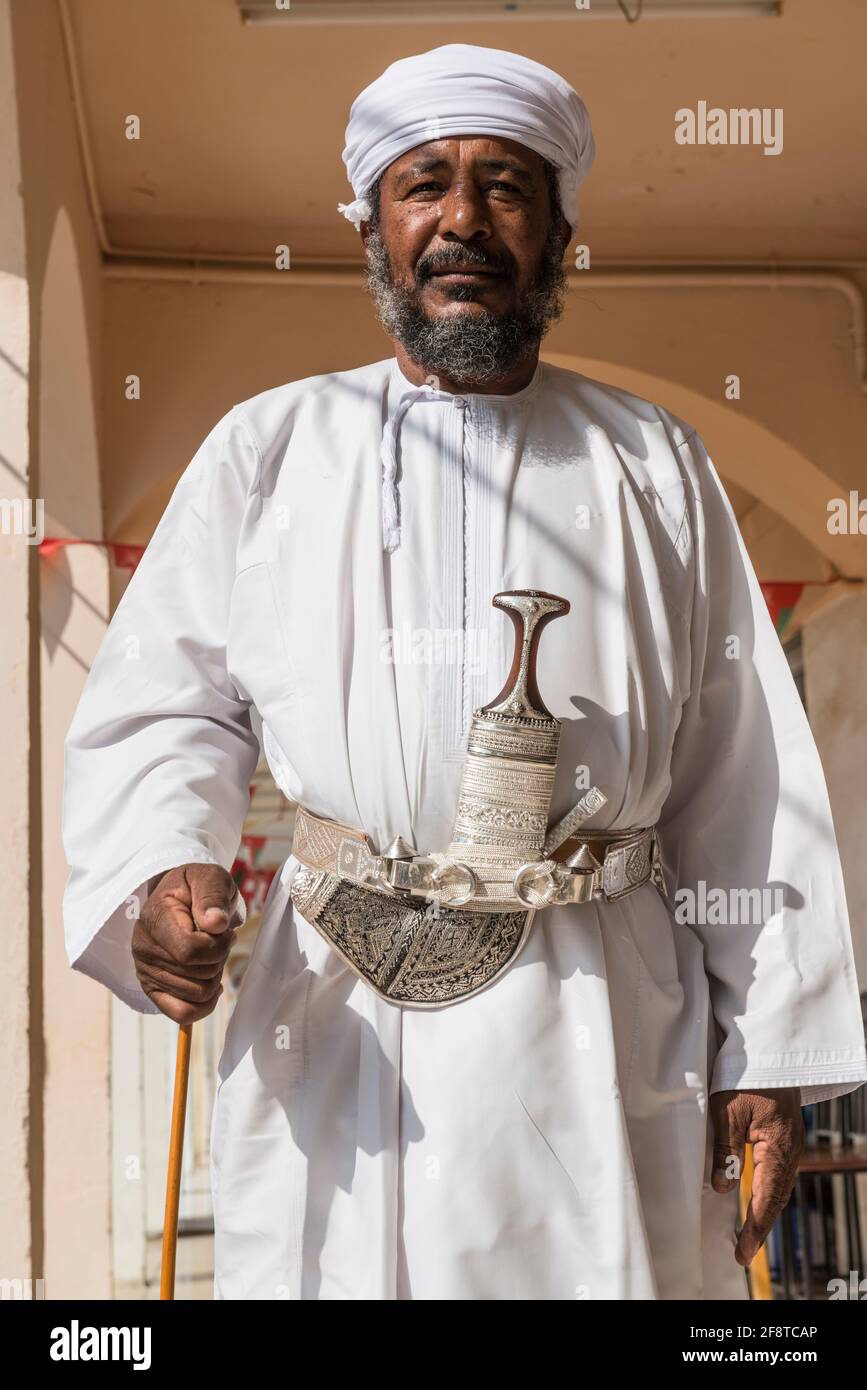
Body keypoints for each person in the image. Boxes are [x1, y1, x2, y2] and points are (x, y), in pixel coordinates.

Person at [62, 43, 867, 1300]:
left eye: (505, 187)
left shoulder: (655, 462)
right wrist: (164, 861)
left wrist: (766, 1052)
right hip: (338, 1019)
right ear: (372, 228)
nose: (460, 219)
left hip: (602, 1018)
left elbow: (742, 772)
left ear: (555, 236)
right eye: (423, 183)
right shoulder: (272, 448)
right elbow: (170, 705)